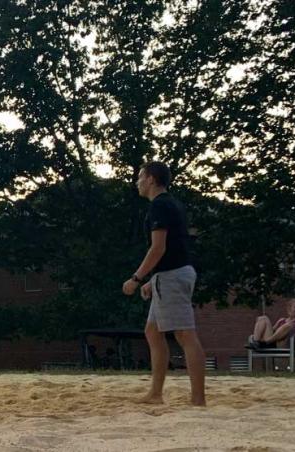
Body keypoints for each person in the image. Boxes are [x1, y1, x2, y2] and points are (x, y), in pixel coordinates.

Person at [121, 162, 206, 407]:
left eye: (140, 176)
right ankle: (155, 394)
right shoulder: (171, 204)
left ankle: (198, 400)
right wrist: (153, 280)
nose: (137, 181)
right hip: (170, 275)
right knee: (152, 331)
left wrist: (136, 279)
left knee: (185, 335)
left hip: (173, 275)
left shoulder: (159, 206)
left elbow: (158, 248)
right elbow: (173, 247)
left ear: (151, 179)